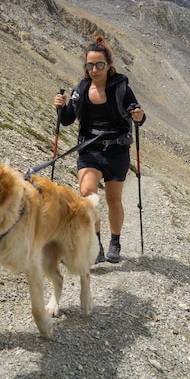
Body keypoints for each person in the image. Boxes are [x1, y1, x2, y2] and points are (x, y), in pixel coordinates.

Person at [54, 34, 145, 264]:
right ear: (86, 66)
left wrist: (140, 116)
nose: (95, 69)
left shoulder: (121, 87)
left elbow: (137, 115)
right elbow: (66, 120)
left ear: (109, 65)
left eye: (100, 64)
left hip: (117, 151)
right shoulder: (81, 88)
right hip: (89, 150)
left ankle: (115, 242)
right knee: (87, 193)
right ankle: (97, 245)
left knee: (114, 200)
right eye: (90, 65)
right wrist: (60, 108)